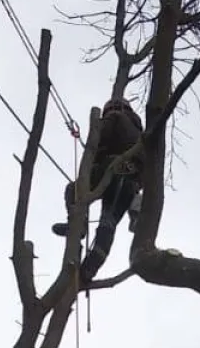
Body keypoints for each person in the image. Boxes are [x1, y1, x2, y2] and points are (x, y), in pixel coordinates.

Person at [53, 96, 144, 281]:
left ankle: (79, 224)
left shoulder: (115, 117)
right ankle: (89, 270)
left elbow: (99, 140)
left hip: (109, 169)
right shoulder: (142, 134)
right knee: (107, 225)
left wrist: (91, 156)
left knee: (73, 189)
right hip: (130, 184)